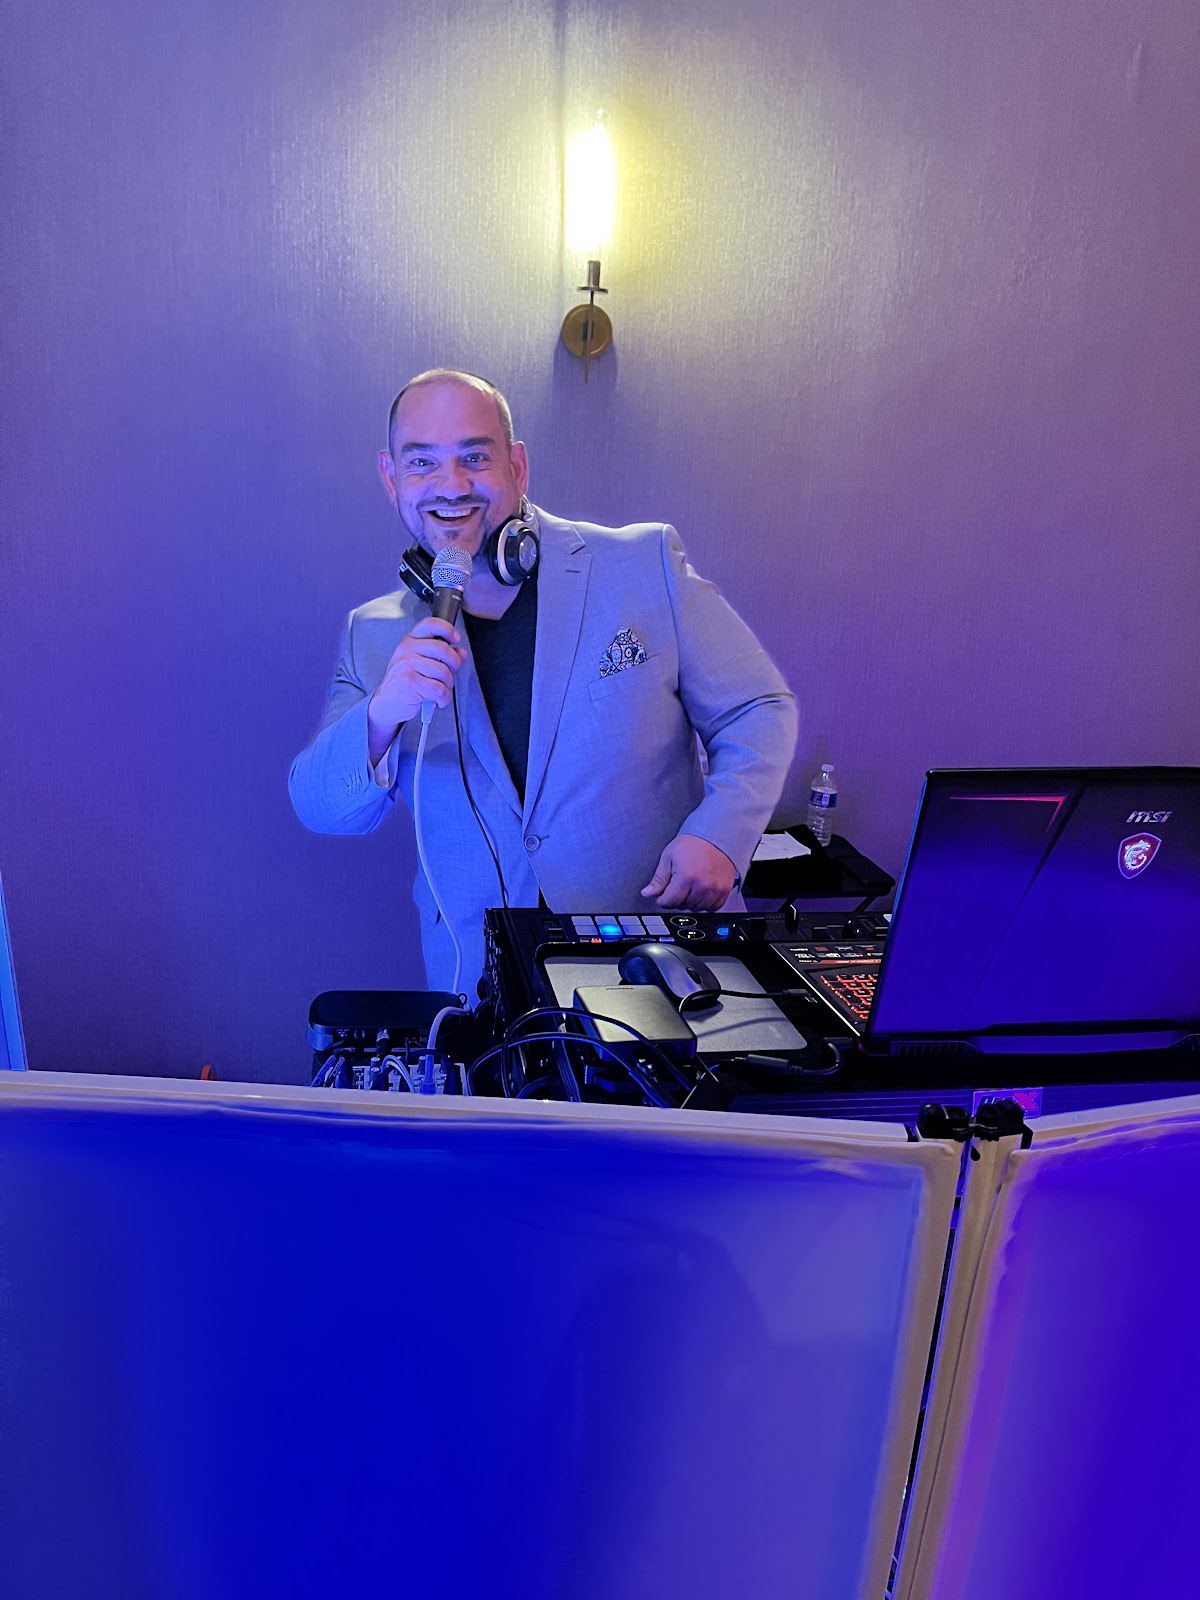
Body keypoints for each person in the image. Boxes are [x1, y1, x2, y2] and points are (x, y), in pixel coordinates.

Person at [289, 369, 797, 997]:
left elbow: (757, 707)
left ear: (518, 466)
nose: (451, 486)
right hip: (481, 991)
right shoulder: (372, 633)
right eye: (422, 463)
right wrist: (381, 713)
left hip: (659, 961)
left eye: (475, 457)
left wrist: (719, 833)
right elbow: (320, 807)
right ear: (391, 478)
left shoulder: (643, 564)